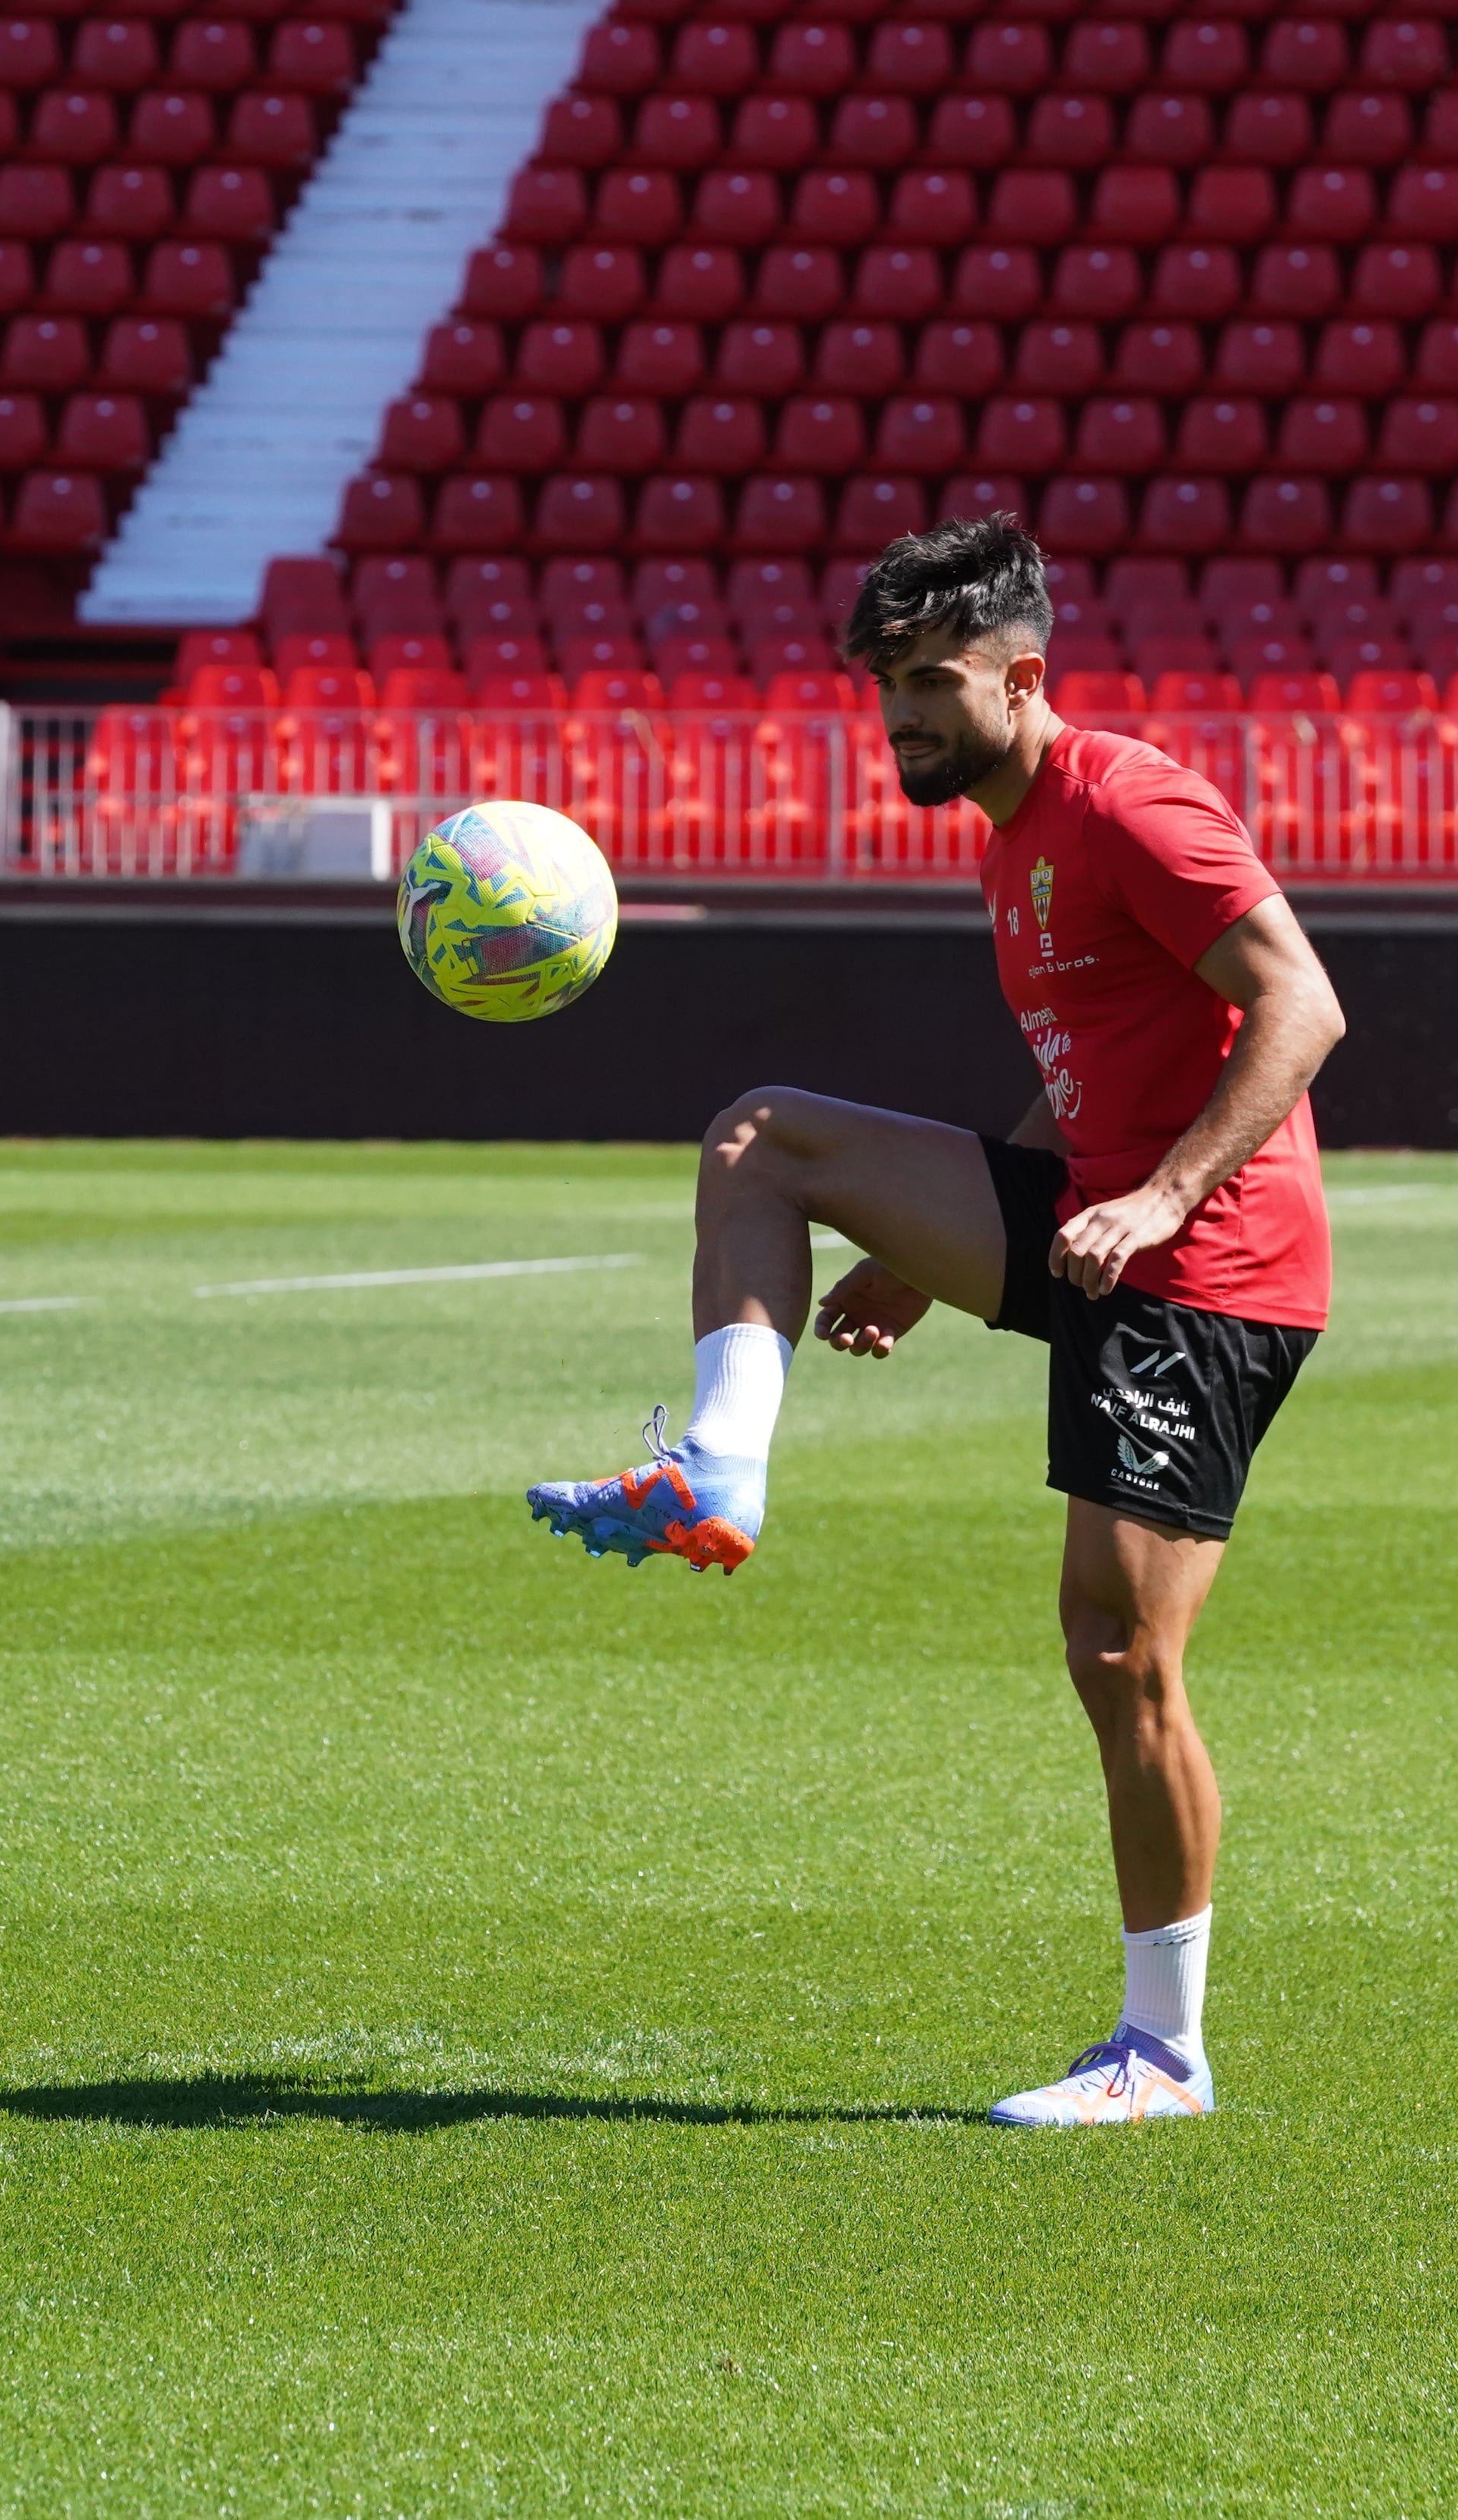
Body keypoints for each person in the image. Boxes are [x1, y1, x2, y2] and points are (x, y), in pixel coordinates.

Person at [527, 515, 1346, 2128]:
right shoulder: (1008, 833)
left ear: (1022, 674)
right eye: (880, 684)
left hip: (1209, 1263)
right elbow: (1090, 1069)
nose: (894, 715)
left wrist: (1164, 1199)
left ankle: (1163, 2054)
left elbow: (1300, 1002)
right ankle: (717, 1469)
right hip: (1098, 1209)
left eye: (925, 681)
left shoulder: (1126, 799)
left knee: (1119, 1652)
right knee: (765, 1140)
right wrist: (921, 1251)